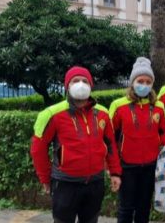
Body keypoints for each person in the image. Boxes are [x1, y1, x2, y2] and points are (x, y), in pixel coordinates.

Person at [30, 66, 122, 223]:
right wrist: (45, 179)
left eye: (85, 81)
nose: (81, 84)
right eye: (75, 81)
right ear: (67, 86)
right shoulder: (51, 114)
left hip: (95, 182)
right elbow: (38, 149)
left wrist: (115, 172)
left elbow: (110, 144)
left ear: (91, 85)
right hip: (65, 184)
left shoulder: (102, 114)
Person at [109, 57, 165, 223]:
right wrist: (112, 168)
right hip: (127, 166)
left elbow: (162, 133)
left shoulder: (158, 107)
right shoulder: (118, 106)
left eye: (148, 81)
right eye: (140, 81)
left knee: (144, 207)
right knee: (126, 208)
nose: (144, 85)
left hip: (150, 166)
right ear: (133, 82)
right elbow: (110, 139)